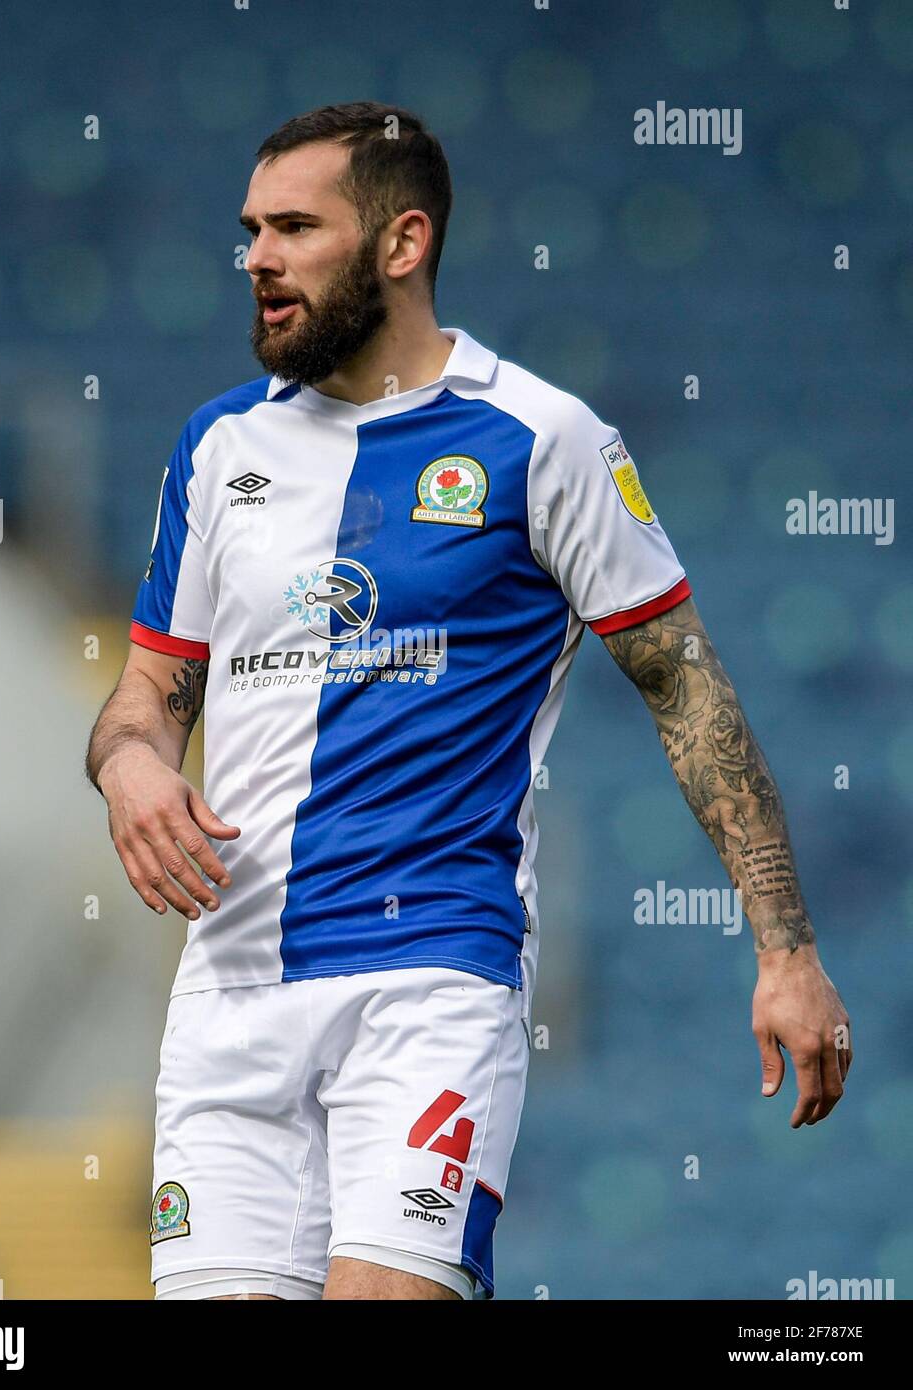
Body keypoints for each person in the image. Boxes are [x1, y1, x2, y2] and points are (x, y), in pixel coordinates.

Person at [85, 102, 851, 1302]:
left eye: (294, 227)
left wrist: (785, 951)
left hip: (427, 975)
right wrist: (130, 764)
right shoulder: (215, 446)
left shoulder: (541, 439)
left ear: (402, 243)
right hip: (229, 989)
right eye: (249, 230)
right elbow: (145, 694)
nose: (258, 259)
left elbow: (685, 691)